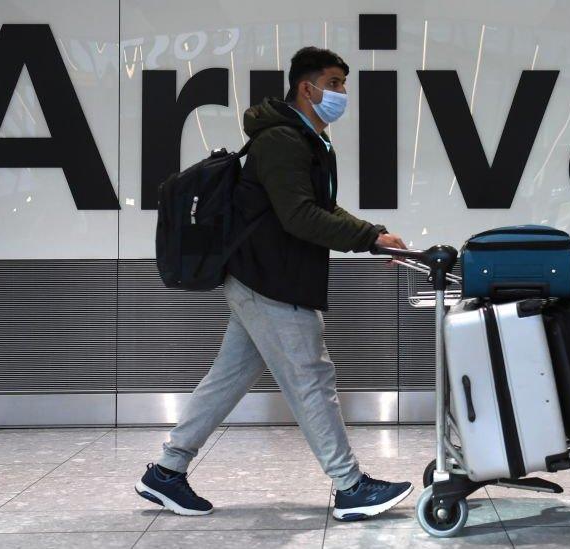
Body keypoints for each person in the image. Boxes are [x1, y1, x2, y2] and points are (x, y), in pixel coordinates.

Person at [135, 46, 412, 521]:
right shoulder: (283, 140)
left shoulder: (305, 140)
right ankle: (349, 486)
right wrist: (368, 238)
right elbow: (300, 216)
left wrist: (375, 236)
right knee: (312, 377)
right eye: (336, 83)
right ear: (308, 88)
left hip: (262, 274)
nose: (343, 93)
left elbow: (317, 207)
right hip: (270, 279)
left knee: (229, 377)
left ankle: (166, 472)